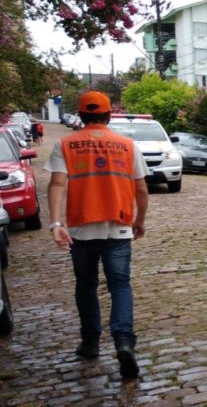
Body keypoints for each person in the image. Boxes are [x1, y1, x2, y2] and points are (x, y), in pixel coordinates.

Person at [45, 91, 149, 379]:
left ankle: (90, 342)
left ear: (81, 115)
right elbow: (141, 189)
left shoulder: (65, 144)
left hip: (81, 228)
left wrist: (55, 223)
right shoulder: (127, 145)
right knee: (120, 285)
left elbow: (57, 184)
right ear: (108, 115)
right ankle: (124, 341)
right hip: (118, 226)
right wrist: (140, 221)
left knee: (86, 285)